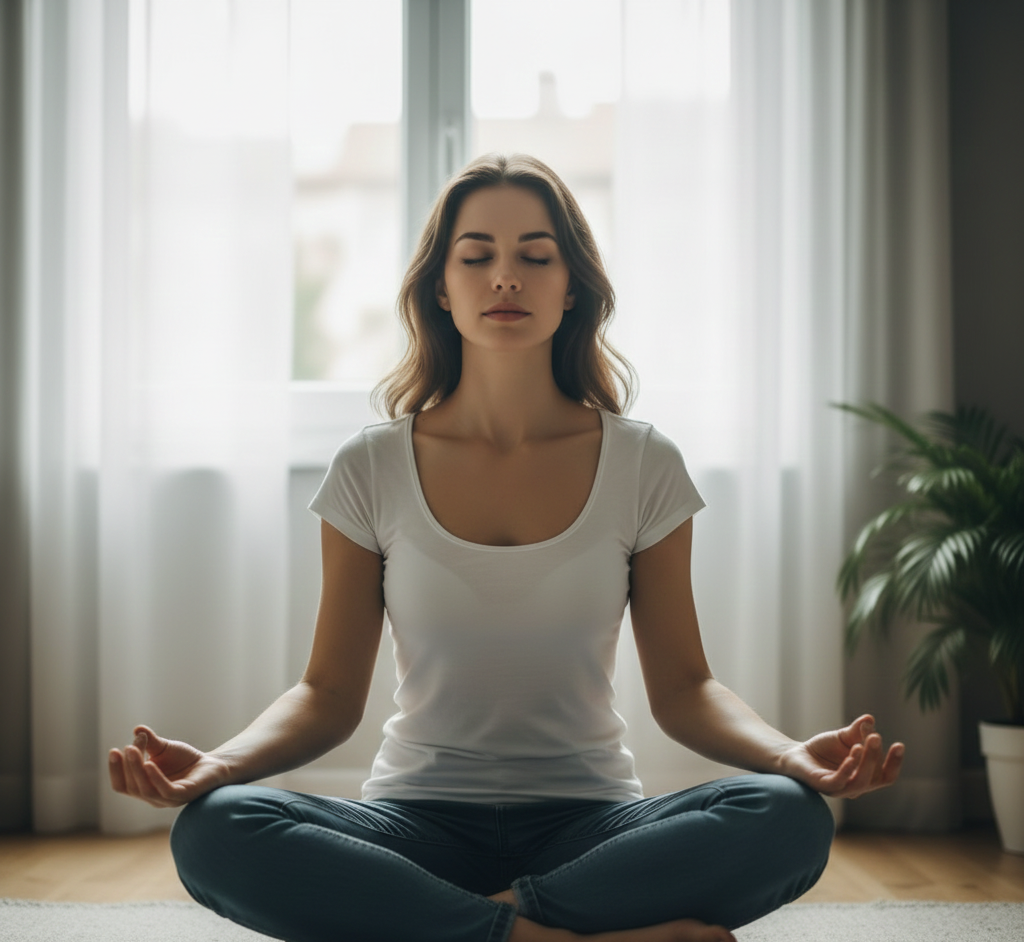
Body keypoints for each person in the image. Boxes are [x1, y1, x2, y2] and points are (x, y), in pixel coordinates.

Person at [109, 153, 904, 942]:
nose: (505, 278)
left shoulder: (643, 463)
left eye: (536, 256)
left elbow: (686, 689)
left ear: (572, 287)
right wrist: (219, 765)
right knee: (215, 828)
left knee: (789, 815)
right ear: (440, 288)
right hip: (414, 828)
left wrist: (789, 756)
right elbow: (327, 695)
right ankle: (551, 936)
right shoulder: (370, 466)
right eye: (476, 256)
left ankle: (449, 929)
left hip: (592, 830)